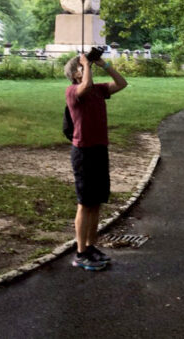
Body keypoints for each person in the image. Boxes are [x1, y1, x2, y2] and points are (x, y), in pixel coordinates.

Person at [64, 52, 128, 271]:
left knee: (96, 202)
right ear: (74, 74)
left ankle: (91, 247)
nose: (86, 69)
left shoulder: (99, 90)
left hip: (100, 150)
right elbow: (85, 84)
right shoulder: (73, 92)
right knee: (85, 203)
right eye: (82, 67)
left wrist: (104, 64)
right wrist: (84, 64)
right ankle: (80, 253)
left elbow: (122, 83)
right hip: (83, 153)